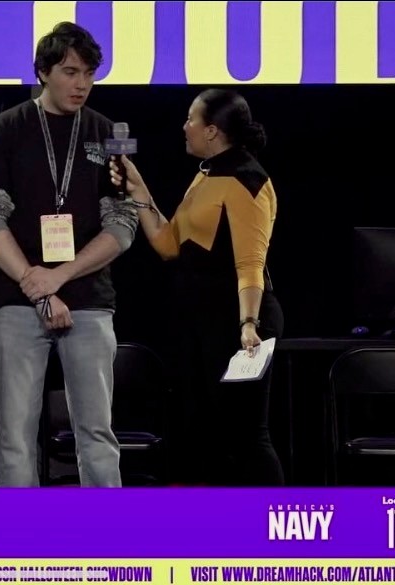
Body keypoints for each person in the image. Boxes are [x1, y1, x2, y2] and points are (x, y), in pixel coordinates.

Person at [0, 22, 138, 487]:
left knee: (96, 433)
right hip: (19, 301)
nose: (81, 83)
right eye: (70, 71)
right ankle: (22, 542)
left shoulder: (109, 132)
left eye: (89, 73)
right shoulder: (7, 128)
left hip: (87, 299)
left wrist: (57, 278)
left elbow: (123, 226)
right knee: (16, 436)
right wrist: (34, 283)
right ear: (43, 72)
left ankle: (105, 542)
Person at [109, 88, 285, 486]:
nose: (184, 126)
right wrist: (138, 190)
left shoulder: (247, 178)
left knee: (246, 436)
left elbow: (250, 263)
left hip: (239, 323)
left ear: (212, 131)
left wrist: (249, 323)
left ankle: (269, 529)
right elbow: (169, 245)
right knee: (204, 432)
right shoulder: (207, 174)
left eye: (191, 119)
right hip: (200, 322)